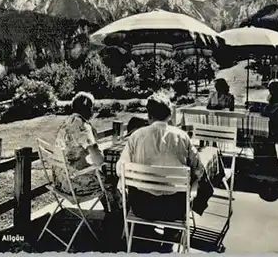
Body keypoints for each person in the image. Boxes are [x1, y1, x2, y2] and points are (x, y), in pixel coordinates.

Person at [116, 93, 205, 251]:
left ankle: (142, 237)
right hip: (174, 210)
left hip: (141, 208)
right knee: (190, 185)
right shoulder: (182, 137)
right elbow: (198, 169)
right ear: (170, 115)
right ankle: (171, 236)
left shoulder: (136, 136)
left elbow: (120, 170)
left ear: (149, 115)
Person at [53, 92, 122, 243]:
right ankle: (114, 224)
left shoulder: (68, 121)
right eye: (92, 107)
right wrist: (102, 156)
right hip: (74, 183)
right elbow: (98, 159)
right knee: (110, 180)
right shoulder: (81, 125)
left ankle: (111, 216)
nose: (93, 111)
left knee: (103, 176)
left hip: (60, 180)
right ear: (86, 107)